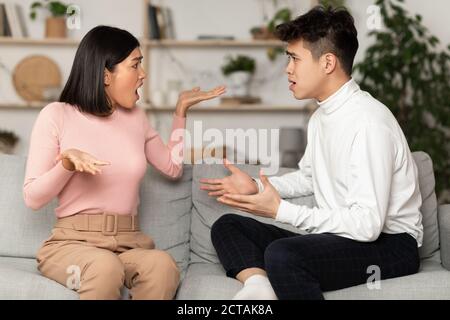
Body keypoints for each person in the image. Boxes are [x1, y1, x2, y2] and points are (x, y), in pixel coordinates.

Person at [200, 6, 423, 300]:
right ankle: (260, 286)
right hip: (342, 237)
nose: (287, 69)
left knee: (283, 255)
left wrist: (281, 211)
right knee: (228, 226)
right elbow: (309, 177)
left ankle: (273, 276)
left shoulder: (369, 123)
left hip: (391, 244)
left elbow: (368, 225)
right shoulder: (322, 116)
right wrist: (255, 186)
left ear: (328, 62)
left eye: (294, 58)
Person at [23, 25, 225, 300]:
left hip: (128, 242)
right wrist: (66, 166)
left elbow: (172, 168)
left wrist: (180, 114)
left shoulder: (136, 118)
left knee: (162, 266)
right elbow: (33, 198)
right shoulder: (57, 115)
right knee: (104, 268)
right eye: (135, 65)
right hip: (71, 244)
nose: (143, 75)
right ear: (106, 74)